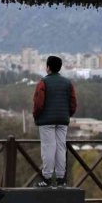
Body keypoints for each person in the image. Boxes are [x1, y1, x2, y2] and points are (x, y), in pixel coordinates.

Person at [32, 55, 77, 187]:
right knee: (61, 148)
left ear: (48, 67)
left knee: (48, 148)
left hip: (46, 121)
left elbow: (38, 104)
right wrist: (67, 115)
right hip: (63, 120)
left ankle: (46, 178)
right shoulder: (68, 83)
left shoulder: (43, 83)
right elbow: (73, 103)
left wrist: (37, 116)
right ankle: (61, 179)